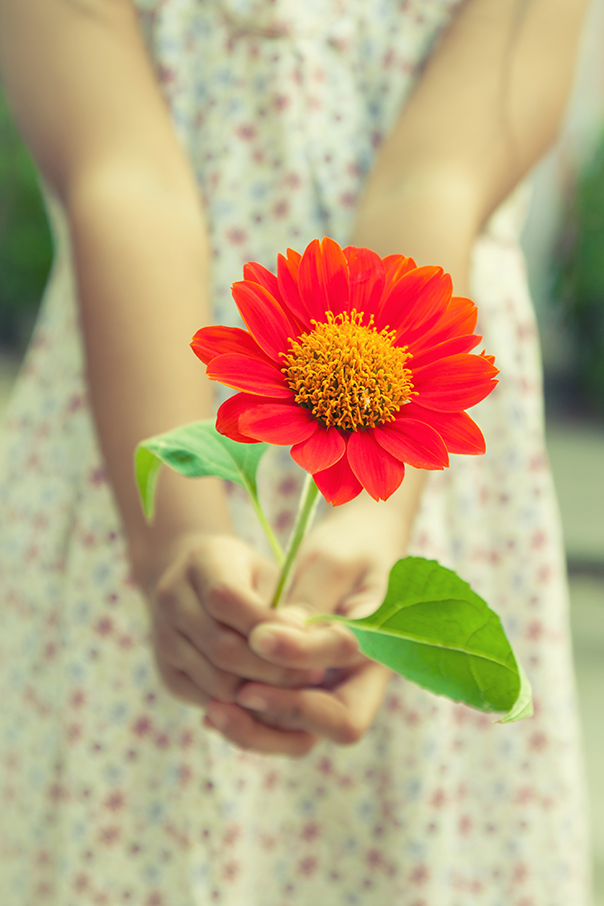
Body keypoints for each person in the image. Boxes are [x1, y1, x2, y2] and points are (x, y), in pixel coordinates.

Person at [0, 0, 592, 903]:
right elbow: (123, 180)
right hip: (137, 416)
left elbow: (436, 179)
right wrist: (174, 546)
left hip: (420, 422)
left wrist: (375, 511)